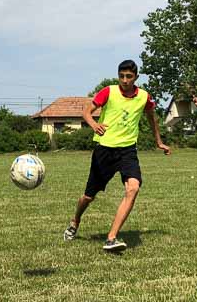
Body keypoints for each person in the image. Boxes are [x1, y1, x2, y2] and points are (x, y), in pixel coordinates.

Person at [63, 60, 170, 252]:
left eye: (129, 76)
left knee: (133, 188)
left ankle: (111, 238)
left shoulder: (144, 97)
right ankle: (75, 221)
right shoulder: (108, 92)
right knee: (88, 197)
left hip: (128, 150)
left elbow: (152, 118)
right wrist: (94, 124)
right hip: (104, 150)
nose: (125, 80)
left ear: (136, 77)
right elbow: (86, 112)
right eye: (122, 76)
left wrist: (158, 141)